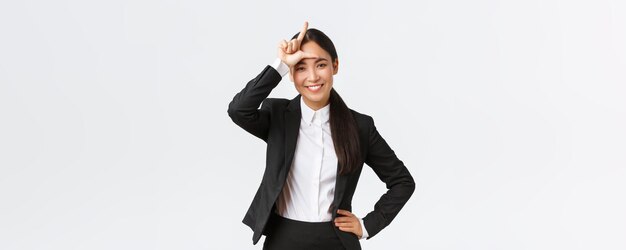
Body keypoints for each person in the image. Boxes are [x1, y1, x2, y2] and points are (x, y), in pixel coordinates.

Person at [227, 21, 415, 250]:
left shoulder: (359, 126)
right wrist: (282, 65)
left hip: (336, 241)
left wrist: (367, 226)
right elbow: (239, 110)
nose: (313, 76)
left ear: (335, 66)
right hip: (283, 239)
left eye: (321, 64)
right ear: (292, 74)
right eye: (301, 67)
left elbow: (402, 182)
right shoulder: (277, 116)